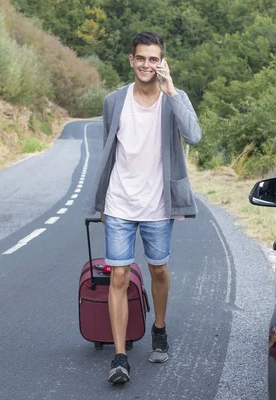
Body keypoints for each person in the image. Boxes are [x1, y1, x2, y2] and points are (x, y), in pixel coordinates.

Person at [84, 31, 202, 384]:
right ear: (131, 61)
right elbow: (109, 150)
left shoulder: (172, 99)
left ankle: (159, 328)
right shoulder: (114, 101)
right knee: (118, 276)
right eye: (141, 58)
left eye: (154, 59)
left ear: (162, 62)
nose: (147, 64)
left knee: (159, 271)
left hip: (158, 204)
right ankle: (120, 356)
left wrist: (173, 91)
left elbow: (194, 135)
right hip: (120, 202)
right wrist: (103, 201)